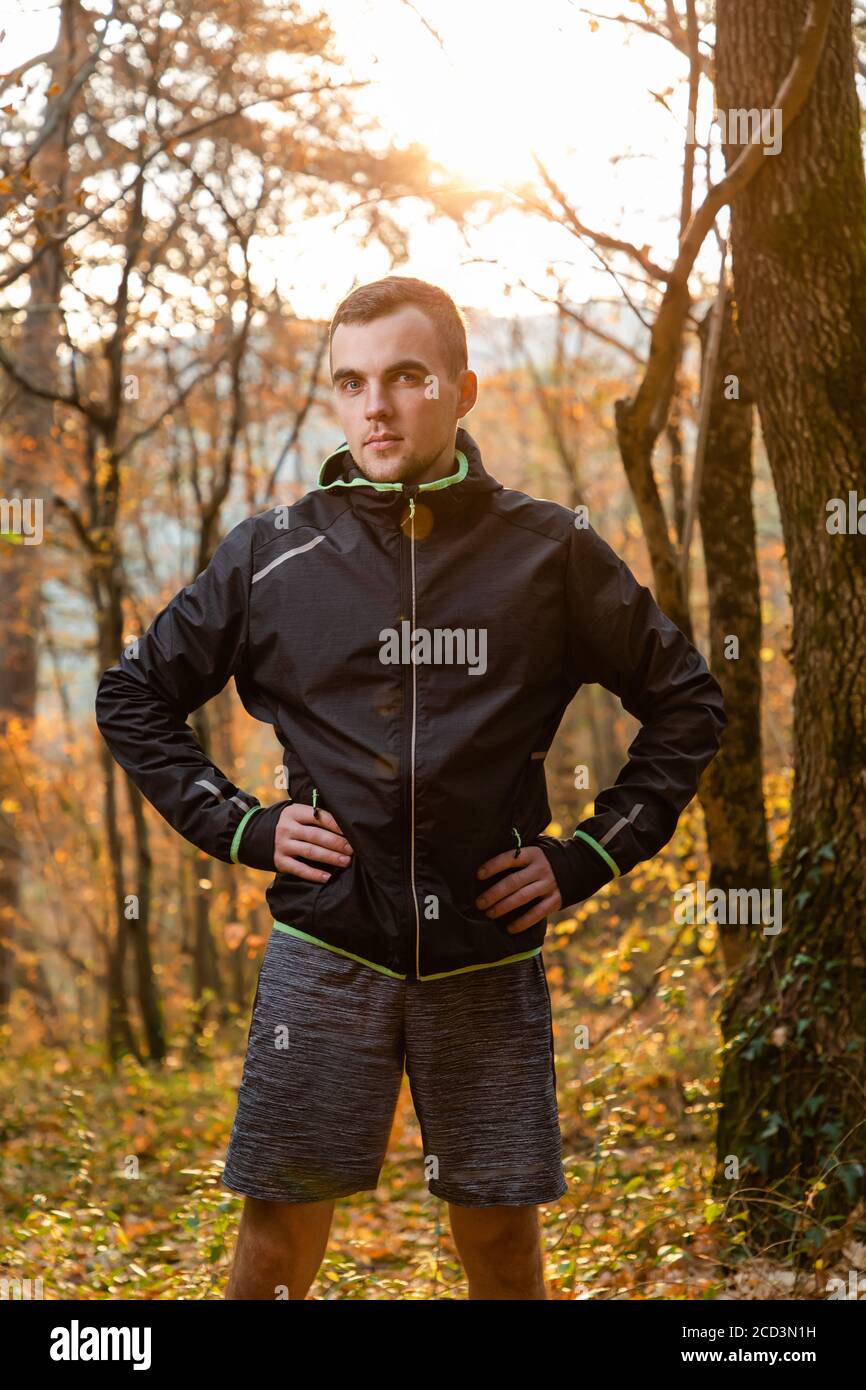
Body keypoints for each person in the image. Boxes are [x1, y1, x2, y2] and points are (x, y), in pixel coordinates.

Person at [95, 275, 726, 1300]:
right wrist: (243, 827)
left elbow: (685, 701)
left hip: (483, 949)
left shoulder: (546, 550)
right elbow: (133, 696)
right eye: (349, 382)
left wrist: (586, 855)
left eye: (404, 375)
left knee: (502, 1252)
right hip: (325, 946)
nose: (375, 404)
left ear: (461, 388)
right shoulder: (270, 554)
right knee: (275, 1249)